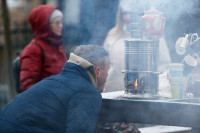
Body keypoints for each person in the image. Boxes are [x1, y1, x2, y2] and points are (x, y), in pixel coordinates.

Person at [0, 44, 110, 133]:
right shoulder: (88, 92)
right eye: (107, 69)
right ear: (98, 71)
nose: (108, 75)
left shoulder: (54, 80)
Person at [103, 0, 171, 93]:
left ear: (140, 14)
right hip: (112, 91)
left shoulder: (153, 36)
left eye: (132, 13)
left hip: (141, 95)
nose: (127, 17)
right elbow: (104, 64)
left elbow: (164, 68)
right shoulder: (112, 35)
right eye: (124, 13)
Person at [20, 5, 67, 92]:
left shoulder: (57, 46)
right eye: (57, 22)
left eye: (61, 22)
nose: (61, 26)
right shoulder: (33, 50)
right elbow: (28, 86)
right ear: (45, 25)